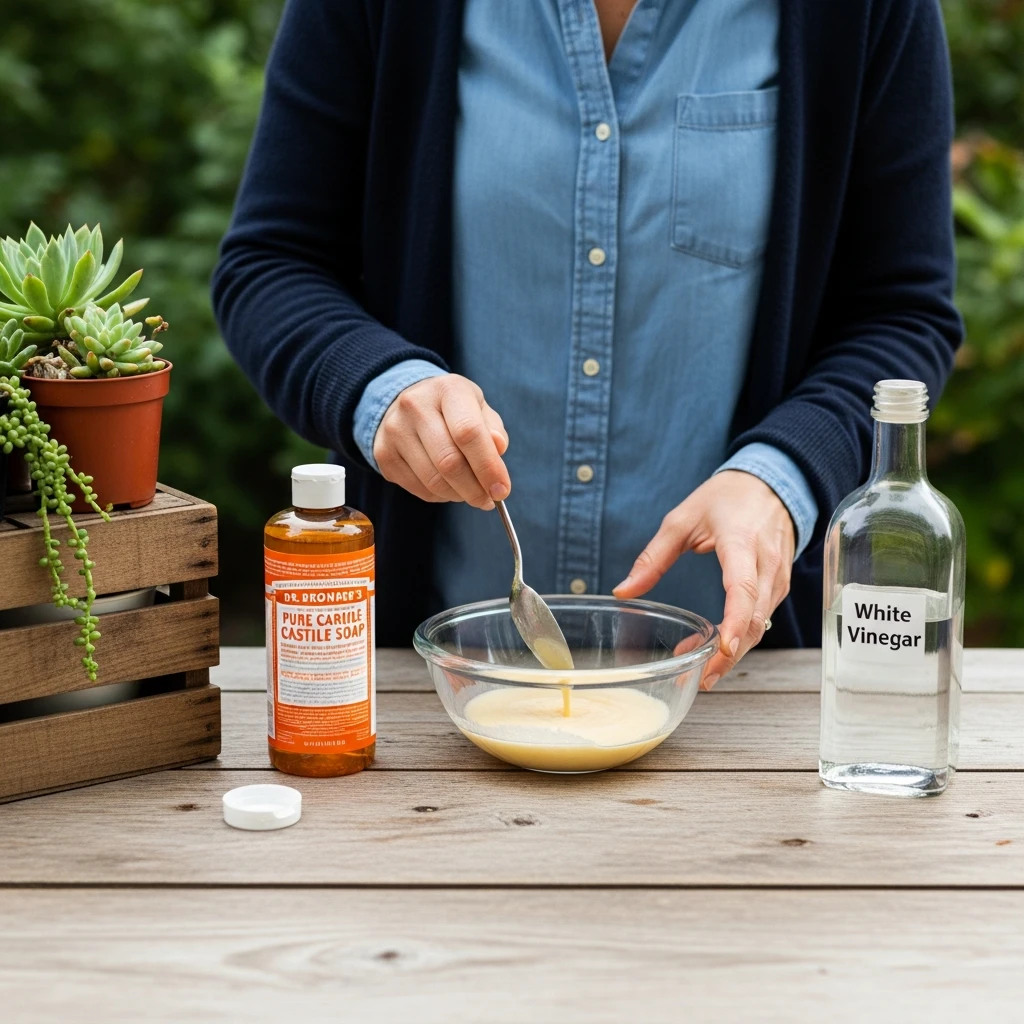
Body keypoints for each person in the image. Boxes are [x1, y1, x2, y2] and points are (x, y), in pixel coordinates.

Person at [213, 0, 961, 683]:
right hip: (421, 700)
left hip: (744, 698)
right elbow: (272, 264)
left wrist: (785, 476)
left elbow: (902, 313)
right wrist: (382, 387)